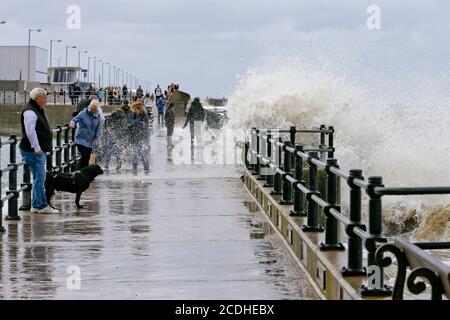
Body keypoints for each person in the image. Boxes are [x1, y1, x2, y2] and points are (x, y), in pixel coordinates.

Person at [19, 88, 60, 214]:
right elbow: (30, 131)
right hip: (34, 151)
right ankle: (40, 205)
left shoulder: (36, 109)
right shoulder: (30, 111)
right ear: (38, 98)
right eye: (45, 98)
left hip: (37, 150)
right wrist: (36, 148)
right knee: (40, 178)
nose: (46, 101)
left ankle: (37, 204)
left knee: (38, 178)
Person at [69, 99, 102, 170]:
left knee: (87, 158)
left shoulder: (98, 116)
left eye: (95, 109)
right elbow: (74, 119)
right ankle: (79, 172)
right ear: (90, 107)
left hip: (90, 140)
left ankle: (83, 173)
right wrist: (72, 124)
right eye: (92, 108)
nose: (93, 110)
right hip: (81, 138)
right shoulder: (83, 113)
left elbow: (98, 128)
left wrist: (96, 138)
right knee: (84, 155)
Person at [129, 101, 150, 175]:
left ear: (140, 109)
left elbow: (145, 126)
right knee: (135, 155)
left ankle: (146, 172)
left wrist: (135, 123)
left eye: (135, 109)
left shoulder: (145, 116)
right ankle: (134, 172)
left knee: (144, 156)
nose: (134, 111)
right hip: (135, 139)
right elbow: (130, 126)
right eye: (134, 110)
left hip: (143, 139)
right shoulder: (133, 115)